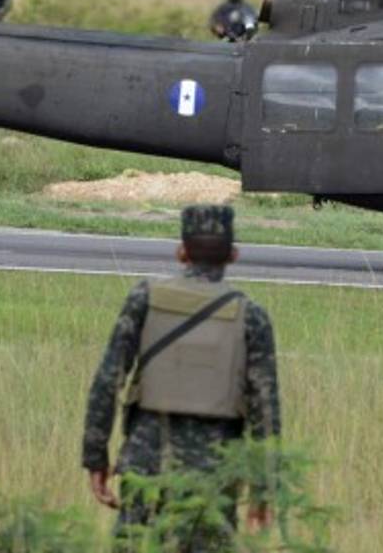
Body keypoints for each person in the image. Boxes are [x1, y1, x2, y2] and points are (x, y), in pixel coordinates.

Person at [83, 205, 281, 545]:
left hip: (147, 466)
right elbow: (265, 411)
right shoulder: (252, 317)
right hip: (214, 477)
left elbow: (107, 380)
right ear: (233, 255)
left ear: (181, 252)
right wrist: (262, 489)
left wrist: (95, 458)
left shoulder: (144, 299)